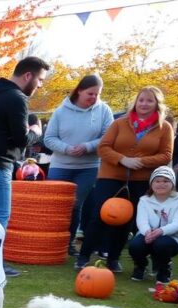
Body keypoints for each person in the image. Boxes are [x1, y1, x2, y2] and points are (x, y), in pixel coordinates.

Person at [75, 86, 174, 272]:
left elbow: (166, 155)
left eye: (149, 101)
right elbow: (103, 147)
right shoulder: (120, 123)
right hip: (111, 175)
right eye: (141, 100)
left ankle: (113, 258)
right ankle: (84, 256)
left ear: (157, 104)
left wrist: (141, 162)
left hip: (140, 180)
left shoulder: (164, 128)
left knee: (126, 219)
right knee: (101, 215)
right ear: (136, 102)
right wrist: (123, 159)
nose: (144, 104)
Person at [0, 56, 50, 276]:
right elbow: (21, 139)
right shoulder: (16, 98)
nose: (40, 85)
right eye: (40, 80)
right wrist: (35, 131)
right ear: (27, 76)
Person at [44, 74, 114, 256]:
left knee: (75, 205)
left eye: (97, 94)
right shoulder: (60, 112)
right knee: (55, 205)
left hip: (88, 167)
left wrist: (88, 146)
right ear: (79, 91)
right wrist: (67, 149)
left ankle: (68, 243)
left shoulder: (104, 111)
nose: (94, 98)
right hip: (60, 165)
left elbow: (108, 137)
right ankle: (49, 241)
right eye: (90, 93)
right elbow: (49, 138)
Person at [129, 166, 178, 283]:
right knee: (135, 246)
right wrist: (147, 232)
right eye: (157, 181)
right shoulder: (144, 200)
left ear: (172, 183)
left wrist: (161, 231)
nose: (161, 184)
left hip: (171, 237)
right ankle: (140, 266)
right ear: (151, 183)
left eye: (166, 181)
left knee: (161, 244)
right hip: (148, 234)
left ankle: (164, 270)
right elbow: (142, 221)